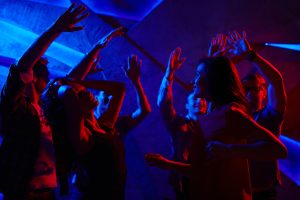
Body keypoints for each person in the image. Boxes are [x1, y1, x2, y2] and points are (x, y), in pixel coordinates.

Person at [145, 54, 287, 200]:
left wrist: (229, 150)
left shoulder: (229, 113)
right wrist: (166, 164)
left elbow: (279, 149)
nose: (194, 81)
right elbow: (200, 169)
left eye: (199, 75)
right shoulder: (206, 120)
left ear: (213, 80)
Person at [0, 4, 88, 200]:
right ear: (36, 78)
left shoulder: (43, 108)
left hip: (47, 193)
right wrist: (56, 28)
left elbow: (71, 79)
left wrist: (97, 48)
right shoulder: (14, 104)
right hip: (23, 192)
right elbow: (22, 67)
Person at [41, 27, 127, 200]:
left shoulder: (103, 126)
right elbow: (67, 93)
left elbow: (120, 89)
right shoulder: (83, 138)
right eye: (81, 93)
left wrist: (98, 47)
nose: (86, 91)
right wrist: (67, 85)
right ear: (74, 107)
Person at [227, 31, 287, 200]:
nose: (251, 93)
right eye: (247, 89)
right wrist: (224, 62)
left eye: (256, 88)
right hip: (236, 192)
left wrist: (251, 56)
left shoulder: (270, 115)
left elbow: (276, 81)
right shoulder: (233, 117)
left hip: (263, 193)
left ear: (264, 93)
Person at [156, 47, 207, 199]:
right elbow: (164, 104)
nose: (199, 102)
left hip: (208, 180)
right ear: (187, 106)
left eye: (202, 99)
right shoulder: (180, 124)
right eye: (194, 99)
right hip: (185, 182)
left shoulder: (213, 123)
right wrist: (169, 73)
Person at [95, 54, 151, 137]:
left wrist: (136, 82)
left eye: (113, 99)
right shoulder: (86, 121)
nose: (111, 100)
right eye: (106, 97)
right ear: (96, 100)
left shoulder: (118, 125)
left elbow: (144, 111)